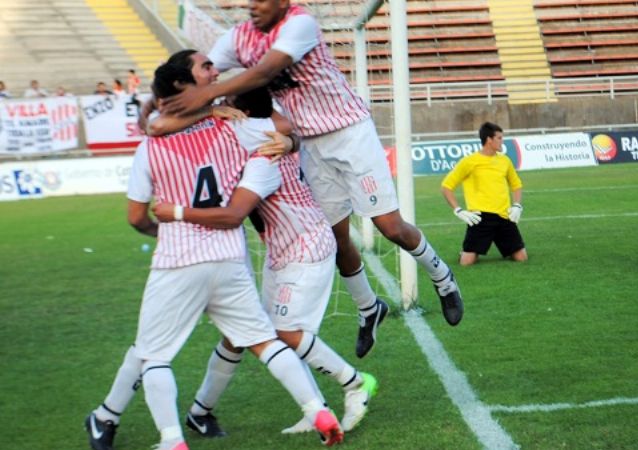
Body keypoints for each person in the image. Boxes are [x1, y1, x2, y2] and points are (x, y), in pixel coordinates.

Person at [160, 0, 465, 358]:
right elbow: (205, 75)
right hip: (308, 144)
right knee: (336, 239)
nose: (251, 6)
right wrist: (162, 99)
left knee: (390, 226)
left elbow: (263, 72)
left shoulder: (300, 23)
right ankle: (369, 309)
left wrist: (208, 95)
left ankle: (443, 278)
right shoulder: (238, 38)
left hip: (350, 131)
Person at [84, 61, 343, 450]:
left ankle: (170, 439)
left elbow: (136, 216)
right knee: (265, 342)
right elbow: (286, 132)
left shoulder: (151, 146)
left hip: (178, 258)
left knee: (152, 354)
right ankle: (319, 411)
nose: (214, 73)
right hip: (228, 259)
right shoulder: (235, 129)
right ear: (182, 86)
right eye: (204, 68)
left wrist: (165, 227)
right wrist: (287, 142)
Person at [153, 85, 379, 437]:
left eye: (228, 101)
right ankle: (205, 411)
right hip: (283, 245)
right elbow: (287, 126)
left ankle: (354, 383)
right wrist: (289, 141)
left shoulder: (245, 133)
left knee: (282, 333)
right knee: (245, 334)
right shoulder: (268, 128)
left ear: (239, 110)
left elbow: (158, 126)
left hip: (306, 243)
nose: (222, 106)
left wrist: (206, 111)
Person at [440, 122, 527, 266]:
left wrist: (517, 205)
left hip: (504, 216)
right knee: (466, 263)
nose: (502, 141)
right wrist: (458, 210)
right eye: (499, 138)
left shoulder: (504, 160)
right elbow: (446, 187)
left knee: (521, 258)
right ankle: (466, 252)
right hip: (480, 217)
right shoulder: (469, 162)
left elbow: (516, 184)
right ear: (489, 139)